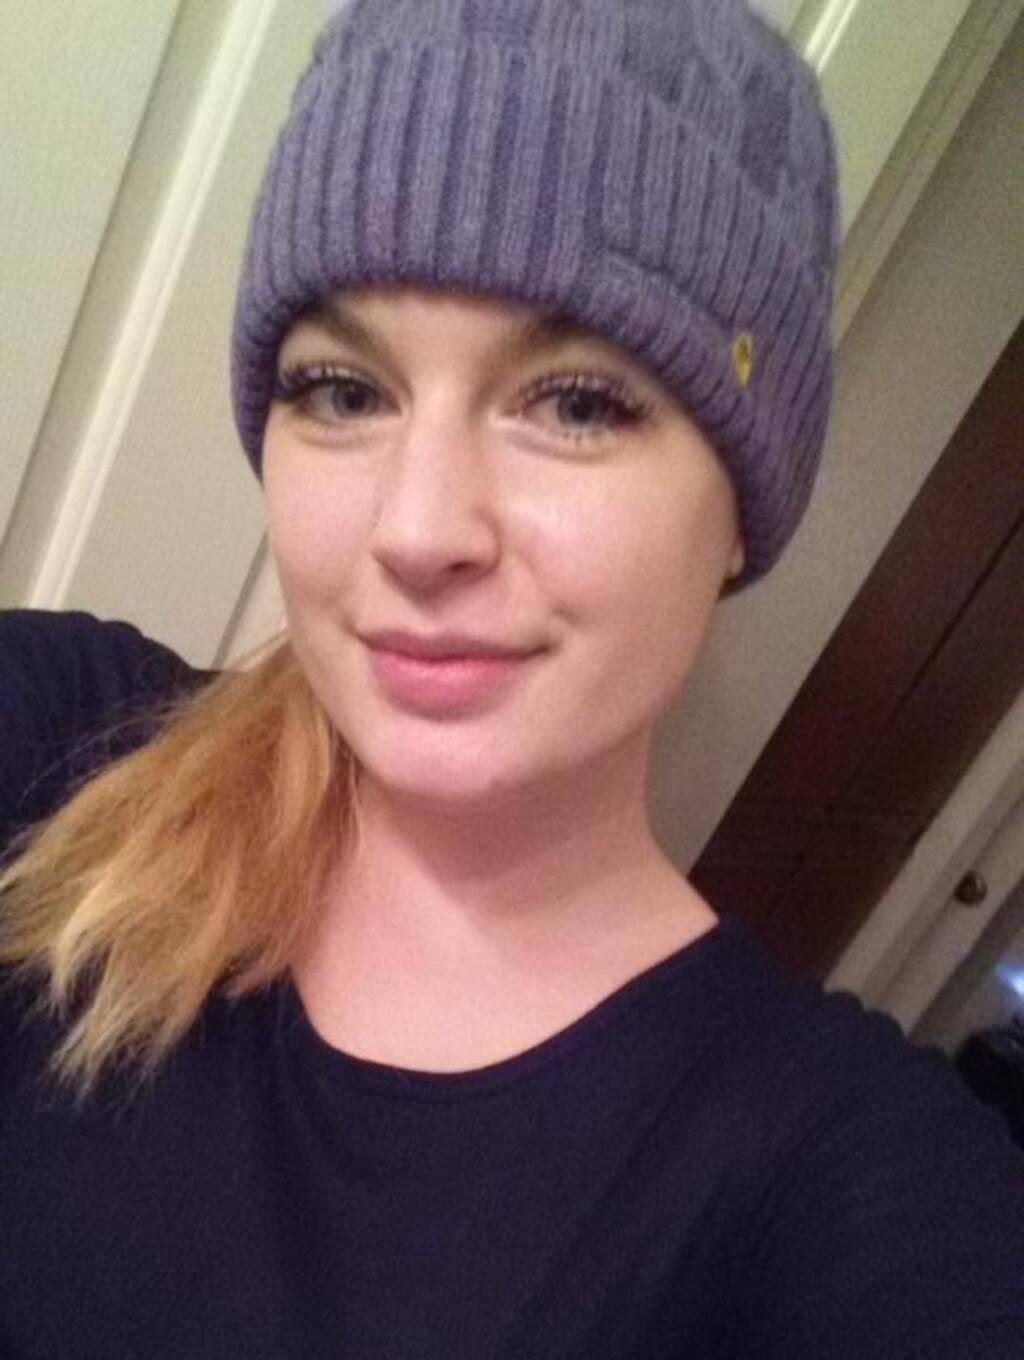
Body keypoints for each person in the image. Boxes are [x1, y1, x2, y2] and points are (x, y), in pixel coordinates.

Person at [1, 1, 1022, 1356]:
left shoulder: (836, 1177)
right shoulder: (64, 752)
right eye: (343, 390)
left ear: (741, 508)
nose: (419, 529)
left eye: (578, 402)